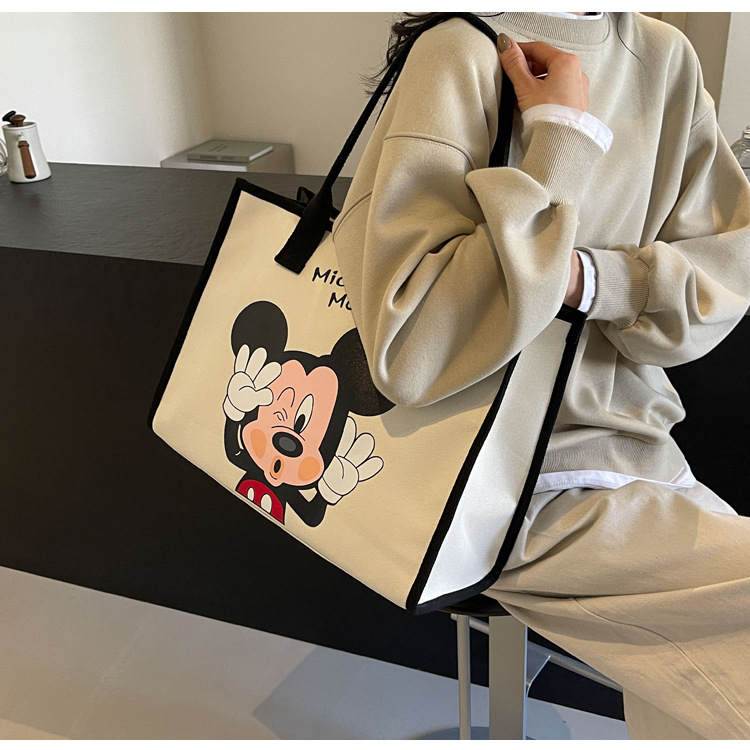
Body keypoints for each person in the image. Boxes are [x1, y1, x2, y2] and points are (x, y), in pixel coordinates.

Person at [330, 11, 750, 740]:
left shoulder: (664, 56)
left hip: (637, 448)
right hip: (499, 478)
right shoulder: (459, 50)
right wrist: (559, 141)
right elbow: (411, 350)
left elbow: (725, 275)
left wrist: (591, 279)